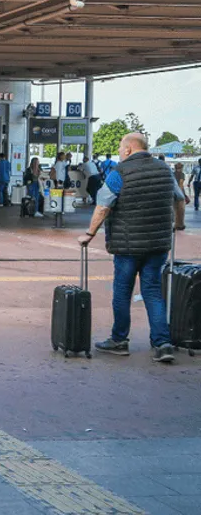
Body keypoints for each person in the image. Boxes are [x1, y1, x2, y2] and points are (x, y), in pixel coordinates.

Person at [79, 133, 186, 363]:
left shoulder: (120, 173)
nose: (119, 151)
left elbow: (103, 206)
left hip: (127, 246)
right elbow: (179, 199)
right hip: (158, 245)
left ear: (128, 149)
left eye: (120, 147)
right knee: (153, 292)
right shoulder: (164, 170)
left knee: (122, 292)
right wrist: (178, 224)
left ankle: (119, 340)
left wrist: (90, 234)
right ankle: (162, 344)